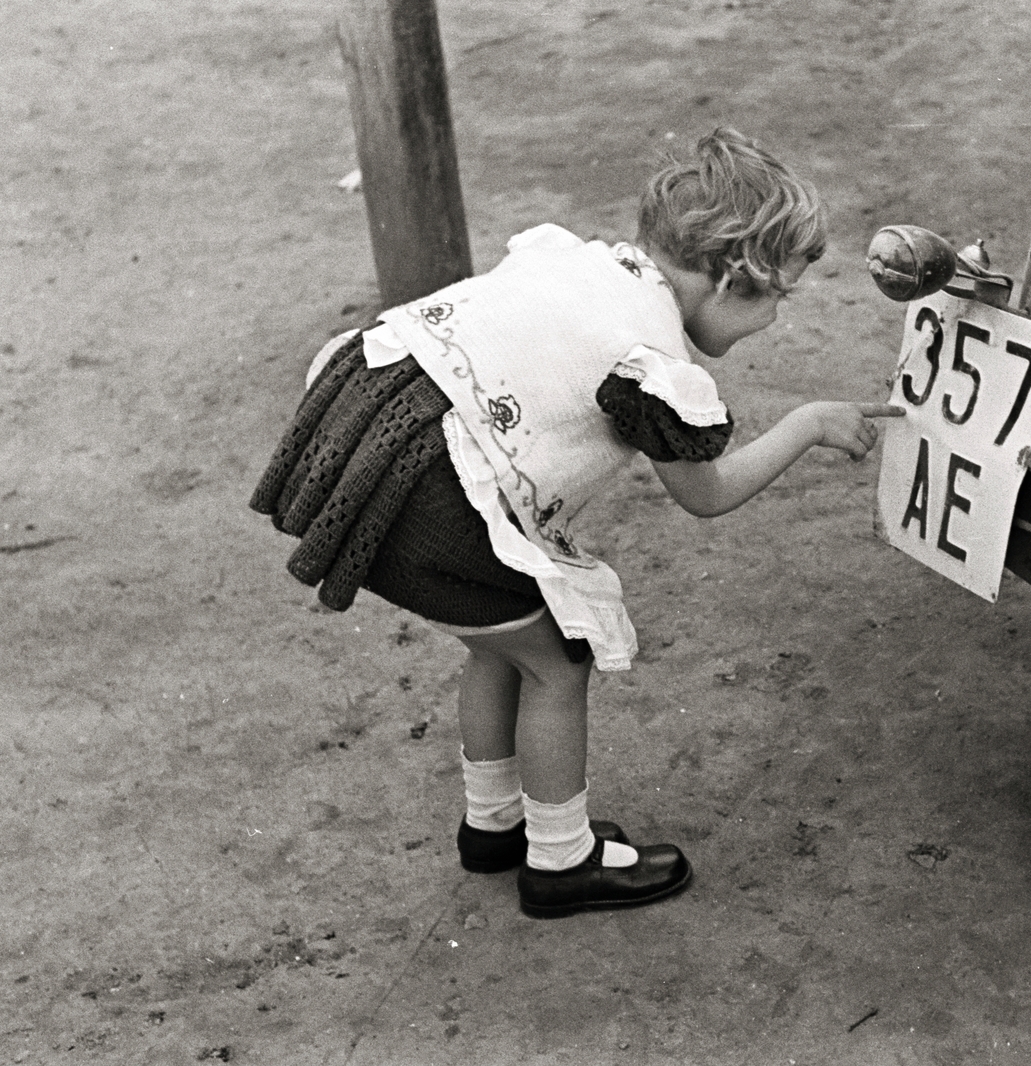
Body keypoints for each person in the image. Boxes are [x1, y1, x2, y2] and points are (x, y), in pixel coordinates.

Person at [250, 128, 902, 918]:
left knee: (500, 636)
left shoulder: (575, 260)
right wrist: (806, 425)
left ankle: (495, 823)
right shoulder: (650, 356)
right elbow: (707, 494)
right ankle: (562, 861)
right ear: (734, 279)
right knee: (559, 658)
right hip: (431, 493)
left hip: (364, 435)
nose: (774, 321)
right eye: (778, 299)